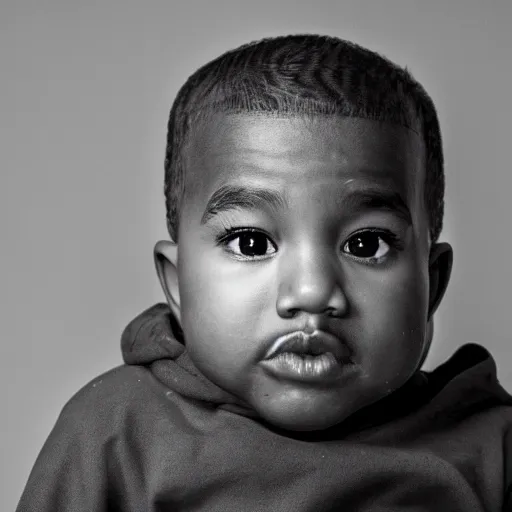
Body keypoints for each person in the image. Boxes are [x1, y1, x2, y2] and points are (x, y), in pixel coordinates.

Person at [16, 34, 512, 511]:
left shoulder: (490, 446)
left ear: (433, 284)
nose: (312, 292)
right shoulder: (115, 434)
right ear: (177, 285)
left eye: (365, 244)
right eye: (251, 243)